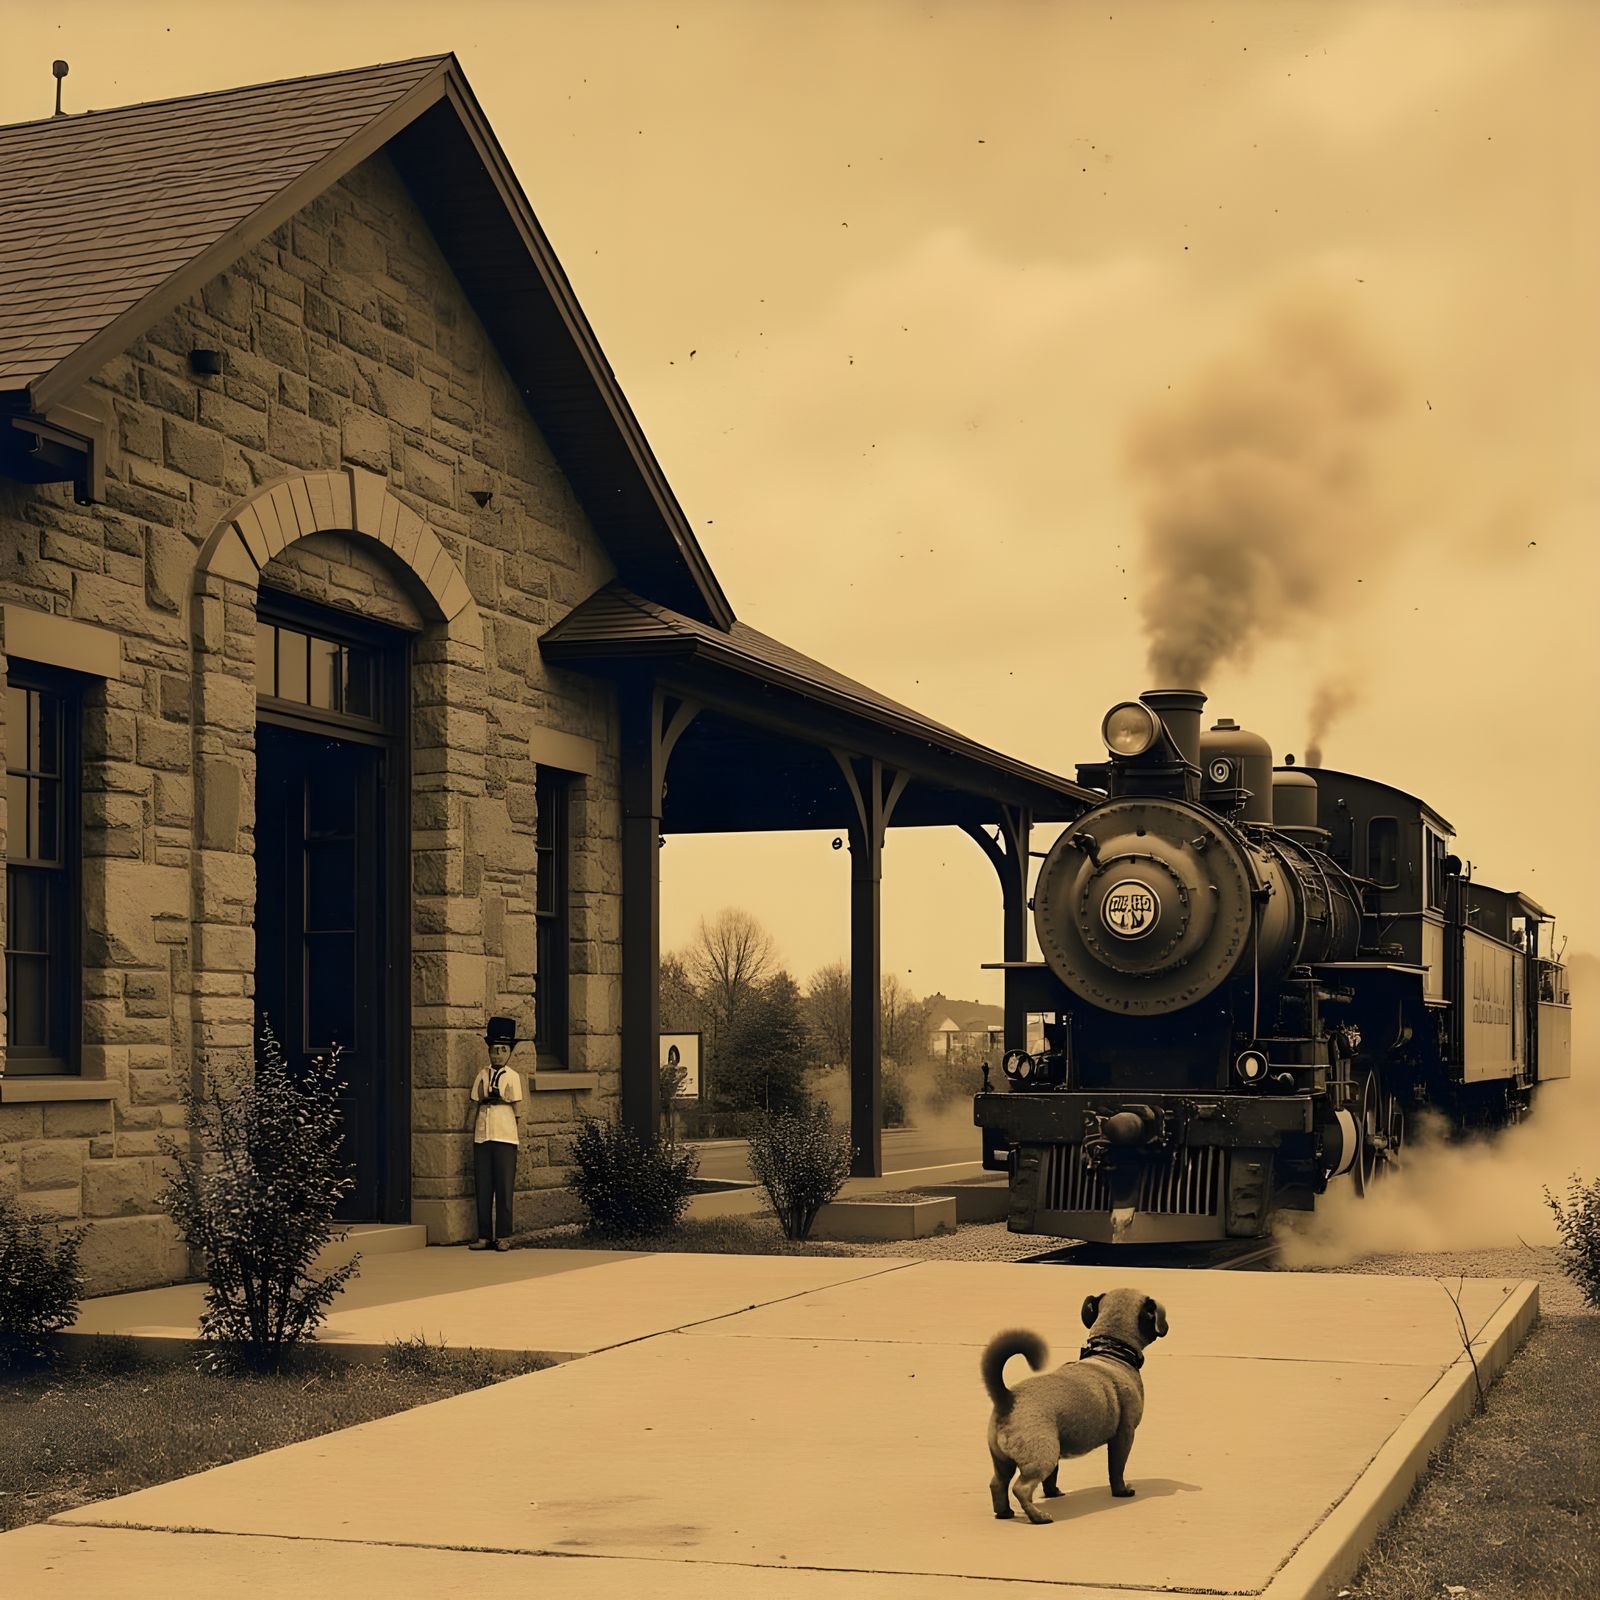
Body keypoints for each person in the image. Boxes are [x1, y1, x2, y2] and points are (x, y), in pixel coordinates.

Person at [466, 1015, 525, 1250]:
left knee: (503, 1186)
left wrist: (515, 1127)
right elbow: (475, 1101)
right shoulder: (482, 1074)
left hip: (505, 1134)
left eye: (502, 1050)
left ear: (509, 1052)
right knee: (483, 1185)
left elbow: (517, 1108)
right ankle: (483, 1234)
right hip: (483, 1134)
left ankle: (503, 1234)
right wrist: (471, 1125)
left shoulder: (512, 1077)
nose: (497, 1055)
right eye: (493, 1050)